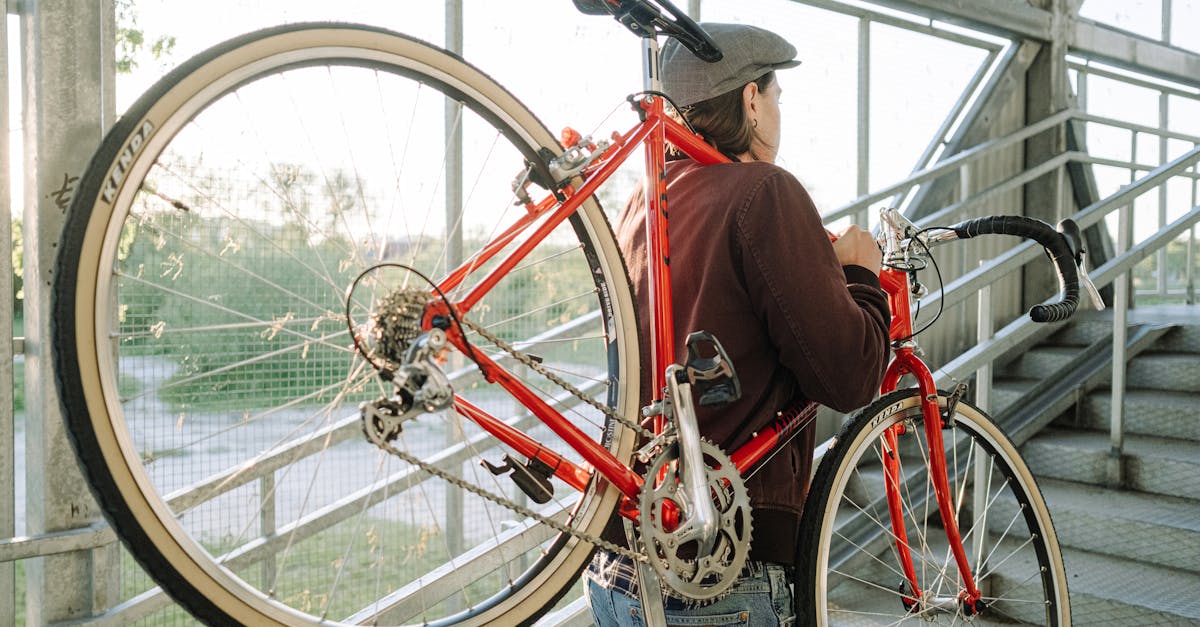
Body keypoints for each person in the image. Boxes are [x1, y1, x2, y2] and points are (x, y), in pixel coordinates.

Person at [584, 21, 891, 627]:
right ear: (752, 98)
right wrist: (861, 277)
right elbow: (851, 376)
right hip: (724, 570)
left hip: (624, 561)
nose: (779, 110)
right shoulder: (764, 193)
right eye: (777, 96)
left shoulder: (644, 202)